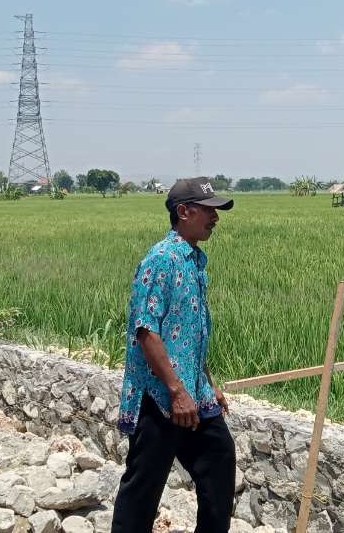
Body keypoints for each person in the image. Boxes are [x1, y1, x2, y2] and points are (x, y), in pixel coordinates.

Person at [112, 176, 237, 533]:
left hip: (191, 392)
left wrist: (205, 384)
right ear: (183, 211)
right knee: (143, 488)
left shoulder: (195, 260)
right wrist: (177, 390)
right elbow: (145, 329)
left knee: (219, 460)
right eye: (208, 211)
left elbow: (190, 334)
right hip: (160, 395)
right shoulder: (162, 260)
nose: (215, 218)